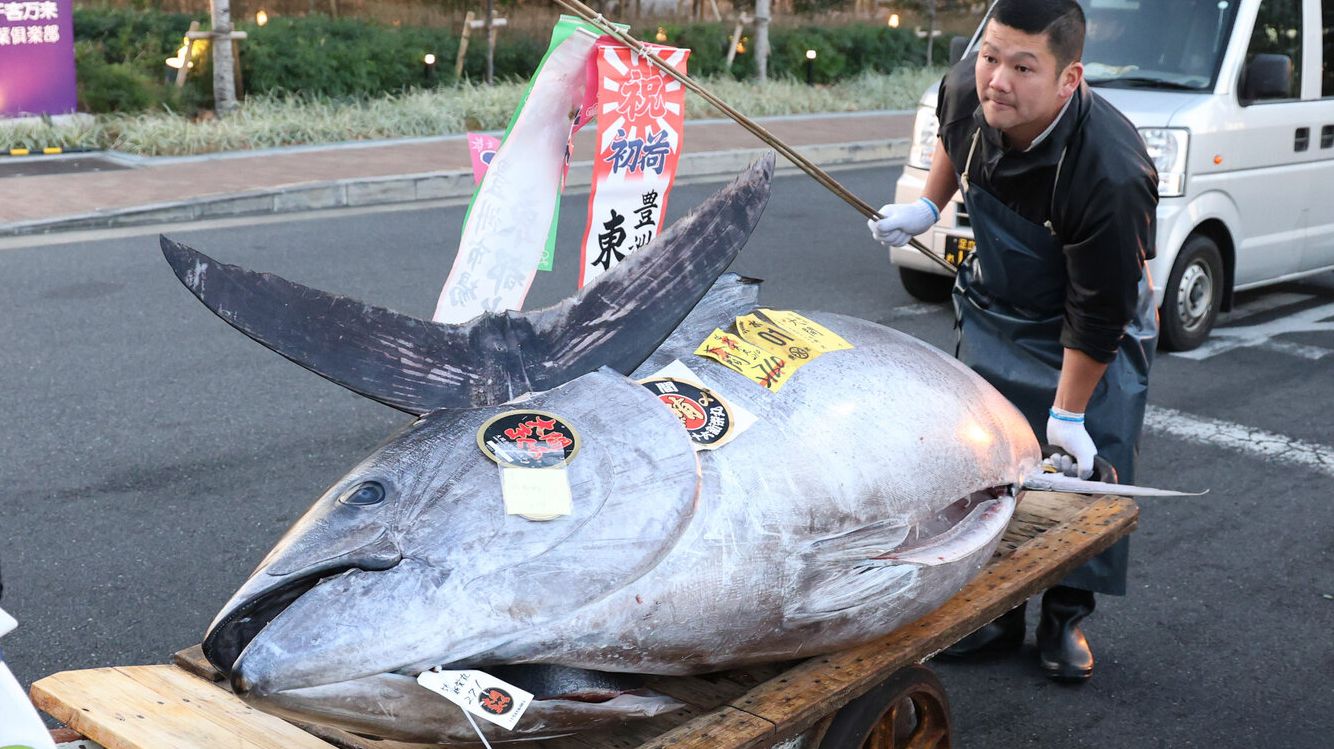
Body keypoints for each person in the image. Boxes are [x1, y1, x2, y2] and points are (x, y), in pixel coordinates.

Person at [868, 0, 1158, 682]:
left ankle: (1065, 612)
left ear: (1068, 79)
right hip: (999, 305)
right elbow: (955, 137)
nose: (997, 79)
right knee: (986, 465)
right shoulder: (971, 85)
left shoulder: (1111, 170)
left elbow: (1098, 309)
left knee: (1081, 477)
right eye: (992, 55)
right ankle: (994, 612)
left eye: (1023, 67)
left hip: (1089, 331)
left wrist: (1068, 412)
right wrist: (926, 206)